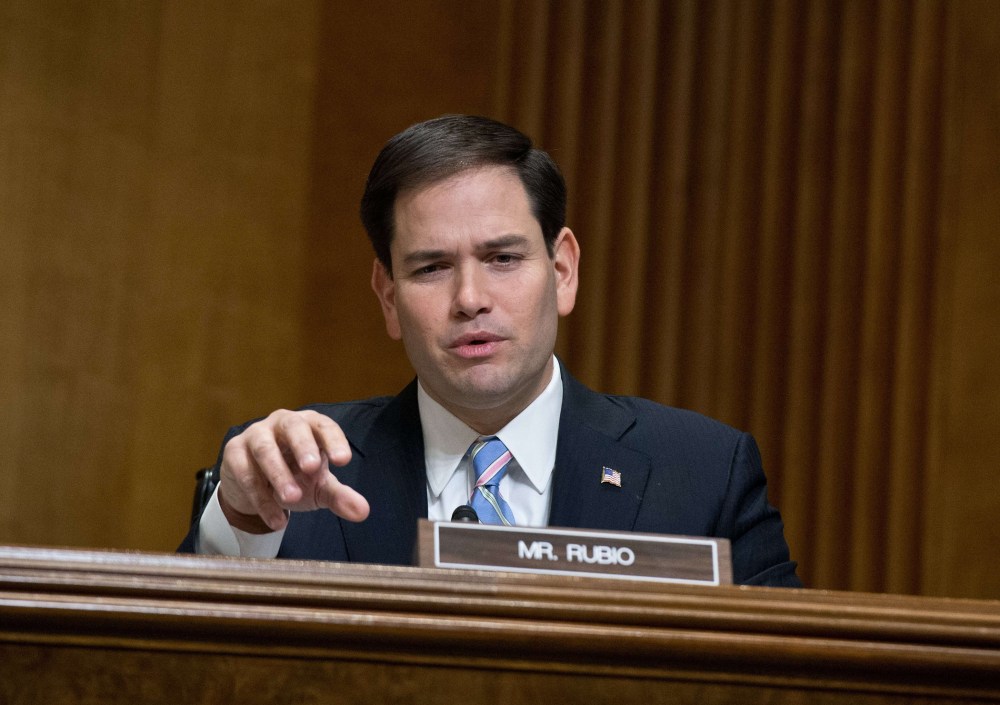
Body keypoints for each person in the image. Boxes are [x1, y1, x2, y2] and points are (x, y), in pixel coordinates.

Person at [179, 115, 801, 587]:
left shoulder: (701, 473)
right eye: (430, 269)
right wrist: (240, 520)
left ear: (563, 270)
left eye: (503, 258)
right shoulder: (294, 473)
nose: (470, 298)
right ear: (388, 297)